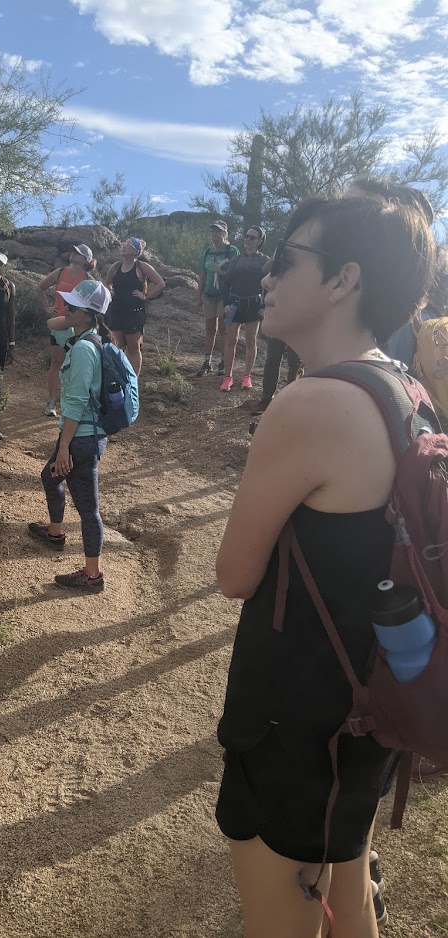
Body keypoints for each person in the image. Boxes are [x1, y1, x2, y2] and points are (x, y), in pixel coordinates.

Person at [215, 194, 435, 938]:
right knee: (348, 882)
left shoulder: (311, 404)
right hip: (372, 701)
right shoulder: (407, 392)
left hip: (294, 718)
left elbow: (235, 575)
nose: (267, 277)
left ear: (344, 279)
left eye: (285, 259)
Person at [28, 278, 114, 593]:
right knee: (50, 478)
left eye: (72, 305)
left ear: (88, 314)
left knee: (89, 508)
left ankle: (92, 576)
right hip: (82, 434)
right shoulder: (85, 336)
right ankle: (54, 534)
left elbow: (76, 403)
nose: (65, 307)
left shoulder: (82, 351)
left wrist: (65, 448)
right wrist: (74, 311)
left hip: (80, 438)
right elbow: (52, 321)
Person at [36, 244, 97, 417]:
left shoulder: (88, 280)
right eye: (74, 251)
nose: (73, 253)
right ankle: (51, 402)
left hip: (77, 326)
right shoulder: (60, 272)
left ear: (85, 260)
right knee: (56, 363)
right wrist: (48, 307)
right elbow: (40, 287)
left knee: (75, 365)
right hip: (60, 323)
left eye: (79, 253)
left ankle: (72, 402)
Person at [104, 237, 165, 376]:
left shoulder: (141, 267)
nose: (124, 246)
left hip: (134, 312)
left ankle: (132, 383)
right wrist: (110, 292)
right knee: (116, 347)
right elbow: (106, 283)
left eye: (128, 245)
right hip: (117, 311)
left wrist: (146, 296)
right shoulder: (115, 266)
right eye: (124, 244)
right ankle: (117, 379)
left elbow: (160, 284)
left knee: (133, 348)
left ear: (136, 251)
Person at [220, 226, 269, 392]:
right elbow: (227, 282)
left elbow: (269, 284)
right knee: (230, 340)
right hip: (234, 303)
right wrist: (225, 303)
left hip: (253, 304)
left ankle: (247, 377)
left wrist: (265, 306)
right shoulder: (236, 259)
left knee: (250, 341)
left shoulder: (264, 260)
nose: (247, 239)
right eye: (246, 236)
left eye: (252, 237)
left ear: (260, 241)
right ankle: (227, 377)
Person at [195, 221, 240, 377]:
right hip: (209, 295)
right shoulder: (207, 252)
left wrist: (221, 273)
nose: (215, 234)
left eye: (218, 231)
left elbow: (236, 274)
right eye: (213, 231)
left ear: (224, 233)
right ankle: (207, 360)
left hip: (225, 296)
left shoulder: (232, 251)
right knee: (209, 328)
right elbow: (203, 275)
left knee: (223, 329)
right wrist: (198, 295)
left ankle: (223, 360)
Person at [251, 339, 301, 415]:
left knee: (295, 363)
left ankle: (292, 401)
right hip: (278, 329)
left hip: (298, 330)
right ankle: (267, 399)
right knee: (272, 359)